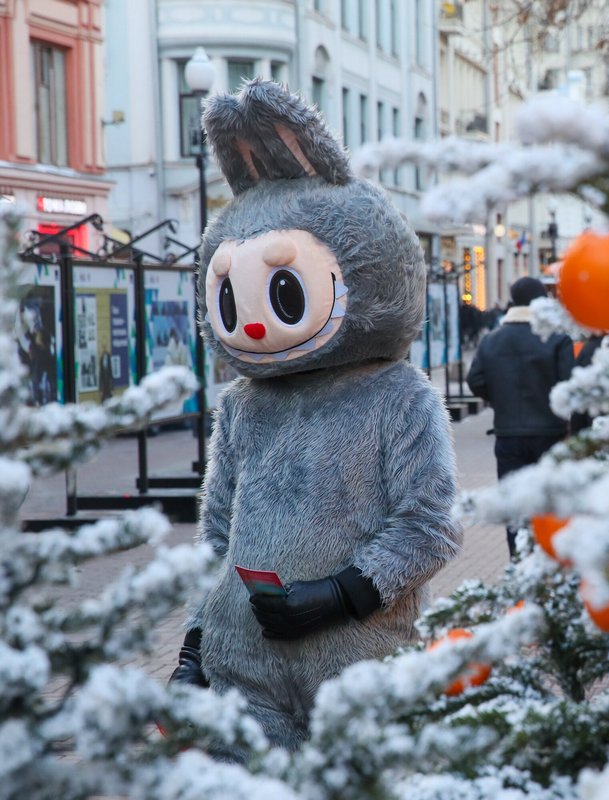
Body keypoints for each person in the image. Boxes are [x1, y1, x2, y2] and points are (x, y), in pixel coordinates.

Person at [166, 80, 460, 754]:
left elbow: (431, 524)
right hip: (242, 674)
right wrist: (192, 646)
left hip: (357, 667)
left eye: (281, 288)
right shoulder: (243, 407)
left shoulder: (398, 395)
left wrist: (343, 594)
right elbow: (216, 535)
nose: (257, 321)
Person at [467, 277, 574, 556]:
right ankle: (549, 560)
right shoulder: (557, 338)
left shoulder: (491, 341)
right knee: (550, 504)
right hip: (550, 434)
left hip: (508, 436)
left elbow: (474, 378)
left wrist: (498, 399)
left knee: (514, 505)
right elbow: (569, 384)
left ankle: (518, 561)